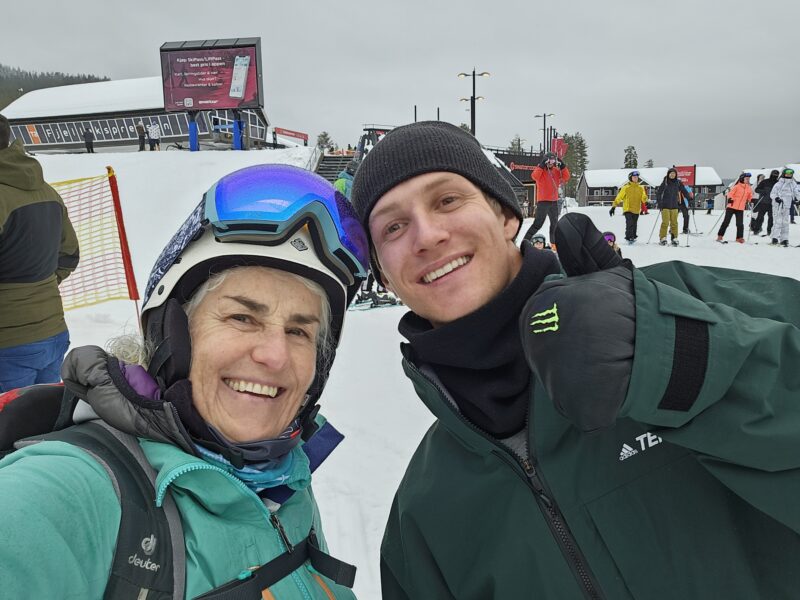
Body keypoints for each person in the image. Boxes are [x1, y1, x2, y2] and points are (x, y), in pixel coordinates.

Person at [351, 120, 800, 599]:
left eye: (447, 200)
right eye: (393, 226)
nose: (427, 235)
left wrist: (678, 358)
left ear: (507, 215)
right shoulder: (424, 514)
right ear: (383, 274)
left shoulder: (687, 304)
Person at [0, 164, 366, 598]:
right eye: (242, 317)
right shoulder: (62, 495)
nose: (274, 354)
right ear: (170, 333)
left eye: (299, 330)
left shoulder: (286, 481)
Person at [0, 113, 79, 392]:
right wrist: (39, 286)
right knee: (40, 425)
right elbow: (70, 254)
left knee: (11, 430)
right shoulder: (47, 192)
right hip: (52, 334)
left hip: (8, 344)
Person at [522, 151, 569, 248]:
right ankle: (525, 242)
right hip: (543, 202)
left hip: (554, 202)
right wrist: (541, 165)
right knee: (538, 224)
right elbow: (534, 176)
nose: (551, 163)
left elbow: (566, 177)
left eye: (553, 160)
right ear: (545, 160)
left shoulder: (556, 171)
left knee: (554, 224)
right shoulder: (541, 170)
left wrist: (563, 166)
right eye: (549, 160)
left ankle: (554, 244)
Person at [609, 170, 647, 243]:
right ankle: (628, 237)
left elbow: (643, 198)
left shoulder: (640, 188)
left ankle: (633, 236)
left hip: (636, 209)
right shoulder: (626, 188)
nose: (636, 178)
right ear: (630, 178)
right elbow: (619, 197)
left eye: (637, 177)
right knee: (629, 223)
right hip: (628, 209)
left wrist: (645, 198)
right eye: (634, 177)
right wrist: (613, 207)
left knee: (634, 224)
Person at [655, 167, 688, 246]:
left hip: (675, 206)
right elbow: (659, 193)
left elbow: (684, 191)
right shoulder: (665, 183)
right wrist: (660, 203)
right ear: (668, 174)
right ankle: (662, 238)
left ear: (676, 175)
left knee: (674, 223)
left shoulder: (678, 183)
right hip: (665, 206)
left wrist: (689, 198)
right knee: (665, 223)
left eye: (674, 174)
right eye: (671, 173)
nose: (672, 175)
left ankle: (674, 238)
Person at [717, 172, 752, 244]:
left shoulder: (749, 188)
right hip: (731, 207)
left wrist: (751, 199)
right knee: (726, 222)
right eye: (746, 179)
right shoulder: (737, 186)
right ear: (742, 179)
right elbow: (730, 194)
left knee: (740, 224)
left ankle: (739, 238)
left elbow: (749, 196)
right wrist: (730, 198)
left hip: (740, 208)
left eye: (748, 179)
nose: (748, 180)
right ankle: (720, 235)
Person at [770, 167, 800, 246]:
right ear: (783, 174)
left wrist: (798, 199)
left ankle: (784, 239)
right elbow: (772, 193)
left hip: (787, 205)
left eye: (790, 174)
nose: (788, 175)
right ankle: (775, 238)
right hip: (778, 206)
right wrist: (776, 198)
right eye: (787, 173)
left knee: (785, 223)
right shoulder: (778, 184)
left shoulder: (793, 184)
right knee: (778, 222)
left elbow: (797, 192)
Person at [751, 169, 779, 236]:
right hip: (763, 202)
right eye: (773, 175)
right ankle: (756, 230)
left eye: (776, 175)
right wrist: (762, 191)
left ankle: (769, 231)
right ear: (771, 174)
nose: (774, 176)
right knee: (760, 217)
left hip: (772, 203)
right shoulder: (765, 181)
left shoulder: (778, 183)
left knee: (771, 218)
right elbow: (757, 189)